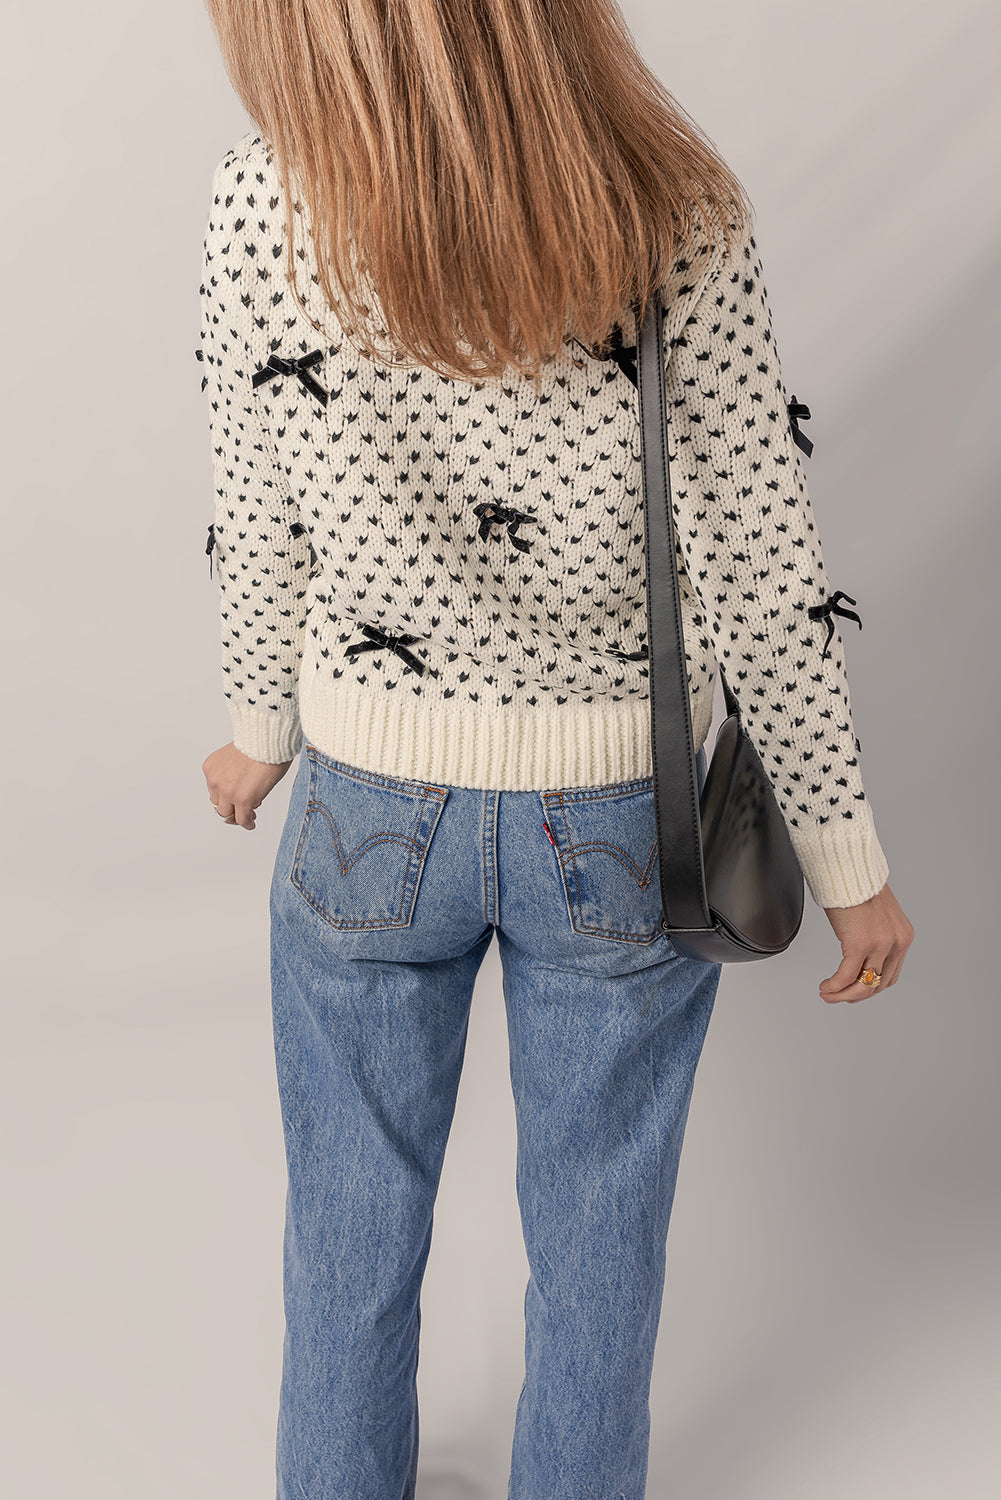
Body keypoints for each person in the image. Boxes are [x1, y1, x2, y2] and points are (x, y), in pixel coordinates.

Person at [197, 3, 914, 1496]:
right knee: (600, 1239)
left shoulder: (270, 192)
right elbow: (762, 557)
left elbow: (254, 498)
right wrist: (845, 860)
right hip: (615, 819)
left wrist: (260, 724)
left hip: (367, 807)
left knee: (347, 1226)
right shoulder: (672, 203)